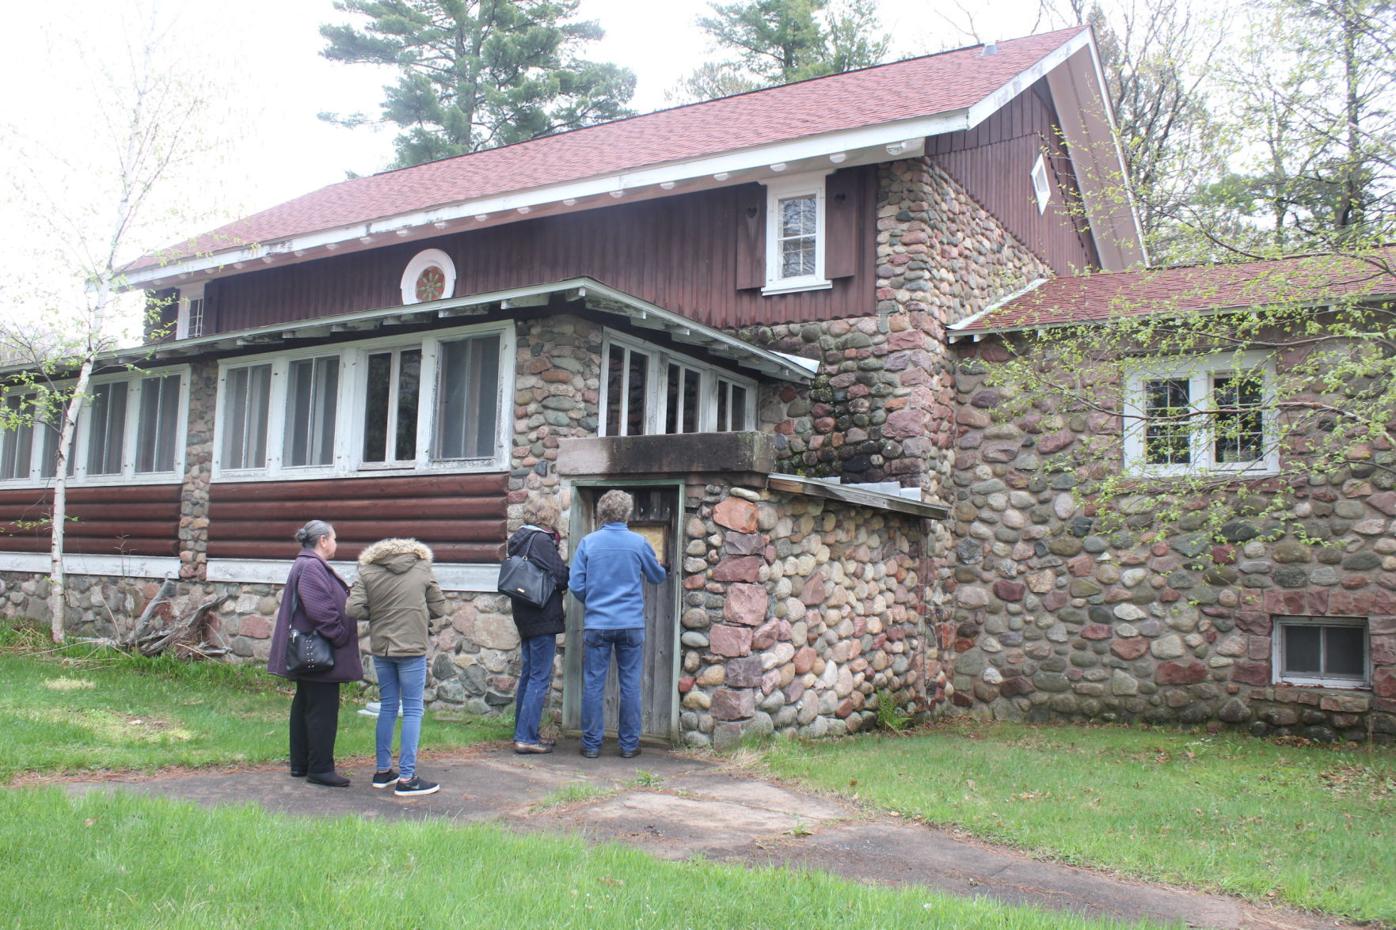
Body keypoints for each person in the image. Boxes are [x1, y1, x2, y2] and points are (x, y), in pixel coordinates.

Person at [569, 490, 666, 759]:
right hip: (630, 624)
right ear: (627, 514)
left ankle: (591, 745)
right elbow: (657, 576)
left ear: (602, 513)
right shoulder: (639, 543)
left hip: (597, 623)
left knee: (593, 684)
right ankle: (629, 745)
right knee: (630, 684)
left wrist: (593, 601)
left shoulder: (588, 543)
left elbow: (575, 585)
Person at [346, 538, 446, 797]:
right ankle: (407, 777)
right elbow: (439, 607)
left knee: (388, 706)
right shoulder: (422, 567)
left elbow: (353, 608)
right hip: (412, 647)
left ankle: (382, 771)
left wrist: (380, 613)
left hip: (383, 647)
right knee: (412, 709)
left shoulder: (367, 570)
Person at [267, 520, 363, 787]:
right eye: (334, 538)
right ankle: (320, 768)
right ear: (322, 540)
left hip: (312, 655)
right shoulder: (311, 566)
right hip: (321, 655)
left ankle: (301, 764)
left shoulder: (307, 563)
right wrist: (340, 635)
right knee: (322, 710)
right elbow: (320, 609)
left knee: (305, 706)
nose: (336, 544)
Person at [504, 500, 570, 755]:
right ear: (548, 517)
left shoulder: (519, 539)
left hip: (524, 613)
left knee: (529, 675)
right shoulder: (541, 540)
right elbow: (560, 575)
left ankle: (522, 732)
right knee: (539, 678)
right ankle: (526, 738)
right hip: (542, 614)